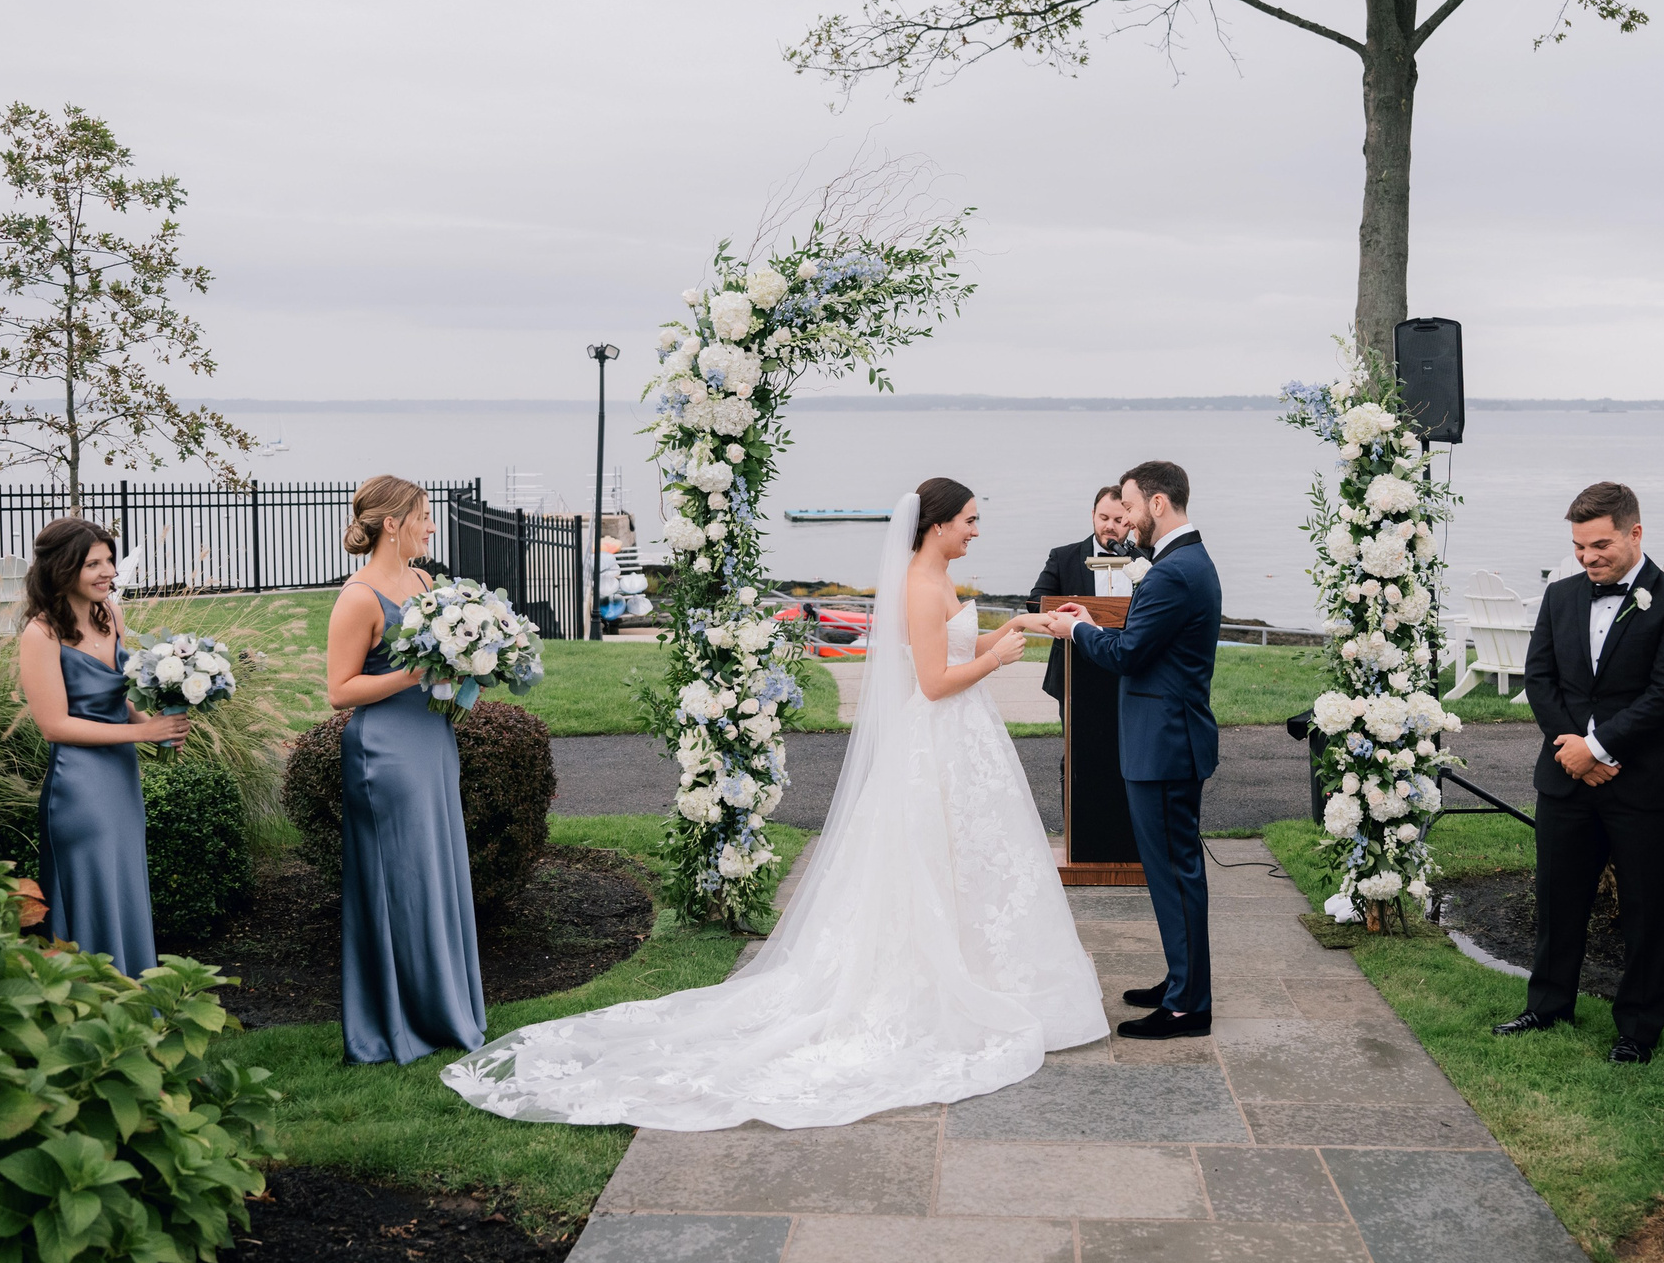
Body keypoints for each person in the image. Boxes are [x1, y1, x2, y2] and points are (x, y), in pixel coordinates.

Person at [442, 480, 1104, 1127]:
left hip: (958, 744)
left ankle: (978, 967)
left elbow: (956, 646)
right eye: (969, 520)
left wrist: (1017, 626)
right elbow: (934, 683)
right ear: (937, 526)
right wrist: (997, 661)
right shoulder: (919, 585)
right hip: (938, 737)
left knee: (965, 862)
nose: (976, 530)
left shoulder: (936, 577)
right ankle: (939, 981)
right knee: (931, 862)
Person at [1497, 481, 1664, 1064]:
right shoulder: (1560, 595)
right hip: (1566, 777)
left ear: (1635, 533)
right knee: (1558, 899)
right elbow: (1539, 678)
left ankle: (1638, 1028)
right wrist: (1573, 751)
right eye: (1579, 546)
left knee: (1644, 907)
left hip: (1644, 782)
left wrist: (1601, 748)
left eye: (1600, 545)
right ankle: (1547, 1005)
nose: (1589, 557)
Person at [1050, 460, 1223, 1039]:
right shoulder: (1182, 562)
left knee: (1175, 875)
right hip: (1164, 739)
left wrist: (1076, 630)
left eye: (1127, 506)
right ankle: (1182, 982)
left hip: (1167, 744)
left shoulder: (1175, 572)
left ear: (1156, 504)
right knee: (1168, 872)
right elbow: (1141, 642)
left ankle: (1187, 1007)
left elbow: (1127, 654)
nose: (1122, 518)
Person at [327, 475, 488, 1065]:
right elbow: (339, 690)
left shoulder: (424, 582)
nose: (431, 525)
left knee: (437, 872)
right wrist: (418, 672)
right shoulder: (358, 597)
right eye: (423, 515)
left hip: (431, 741)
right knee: (401, 881)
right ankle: (398, 1020)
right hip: (384, 754)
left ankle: (445, 1007)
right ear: (391, 524)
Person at [17, 517, 185, 975]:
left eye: (109, 560)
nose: (107, 571)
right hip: (79, 787)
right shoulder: (41, 634)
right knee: (91, 887)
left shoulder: (110, 615)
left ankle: (134, 996)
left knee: (123, 881)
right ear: (62, 568)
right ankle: (92, 1006)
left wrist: (158, 726)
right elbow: (54, 726)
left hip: (120, 777)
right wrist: (141, 734)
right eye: (93, 563)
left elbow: (123, 693)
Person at [1029, 485, 1147, 700]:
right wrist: (1070, 609)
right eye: (1103, 518)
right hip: (1075, 671)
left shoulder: (1146, 558)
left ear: (1129, 520)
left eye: (1118, 520)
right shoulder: (1063, 557)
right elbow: (1035, 601)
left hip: (1130, 673)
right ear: (1093, 515)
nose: (1109, 526)